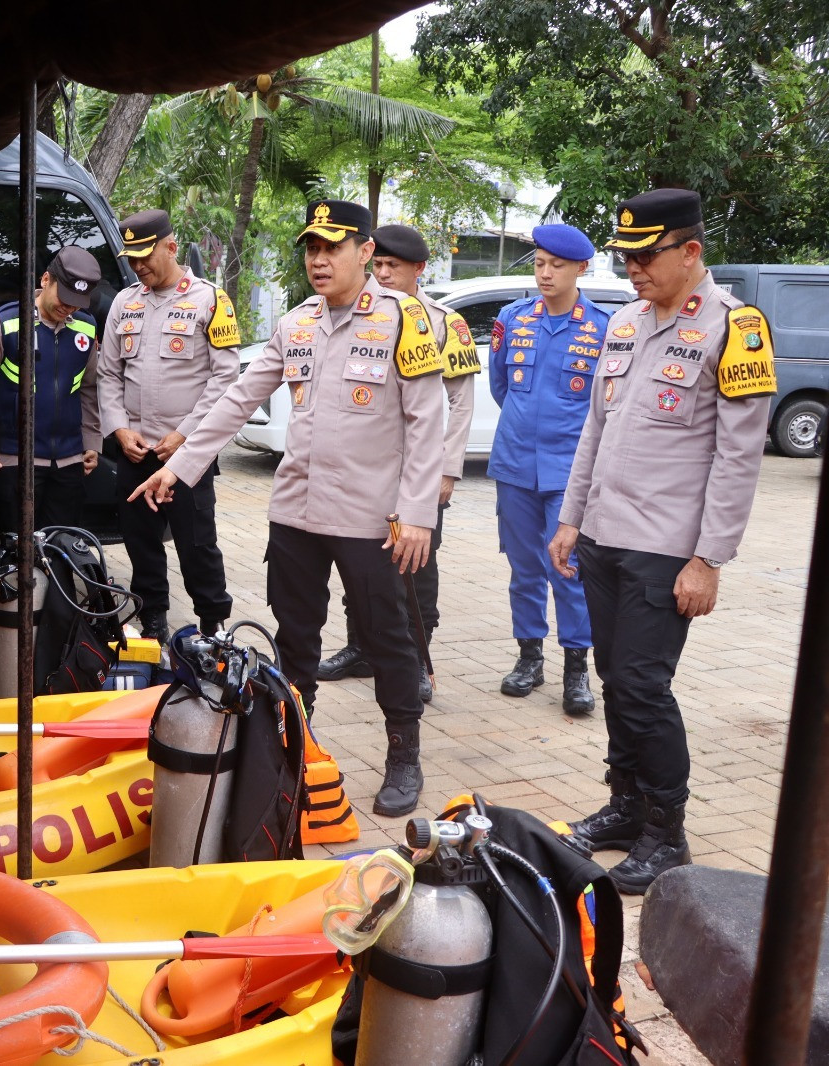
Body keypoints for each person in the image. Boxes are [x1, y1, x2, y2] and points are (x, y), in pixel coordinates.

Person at [130, 200, 444, 817]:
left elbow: (427, 422)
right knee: (295, 639)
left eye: (331, 248)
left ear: (366, 253)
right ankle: (297, 745)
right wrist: (180, 466)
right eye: (311, 249)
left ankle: (403, 753)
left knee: (389, 640)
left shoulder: (405, 320)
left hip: (372, 520)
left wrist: (418, 514)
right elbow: (237, 397)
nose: (318, 261)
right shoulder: (297, 323)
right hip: (297, 512)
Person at [550, 189, 774, 893]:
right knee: (616, 679)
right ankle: (626, 803)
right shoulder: (624, 323)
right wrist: (570, 518)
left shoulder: (735, 329)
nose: (634, 270)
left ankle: (665, 831)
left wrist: (708, 559)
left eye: (646, 257)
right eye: (626, 258)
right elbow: (597, 429)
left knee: (644, 687)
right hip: (605, 537)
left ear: (691, 252)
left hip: (666, 548)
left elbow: (739, 458)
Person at [315, 223, 484, 702]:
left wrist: (447, 471)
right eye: (380, 264)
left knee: (415, 570)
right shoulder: (358, 313)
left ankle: (416, 661)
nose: (384, 273)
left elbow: (460, 403)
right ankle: (361, 648)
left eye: (395, 266)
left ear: (419, 270)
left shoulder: (444, 322)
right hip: (367, 473)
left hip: (418, 475)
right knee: (358, 562)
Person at [98, 209, 240, 640]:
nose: (139, 266)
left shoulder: (210, 300)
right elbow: (107, 374)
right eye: (132, 259)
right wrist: (120, 429)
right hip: (135, 450)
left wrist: (186, 434)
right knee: (140, 542)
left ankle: (212, 623)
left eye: (146, 256)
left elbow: (225, 378)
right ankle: (153, 617)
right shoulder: (126, 302)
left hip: (186, 455)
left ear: (171, 247)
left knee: (197, 544)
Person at [487, 225, 610, 715]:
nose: (545, 273)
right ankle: (529, 657)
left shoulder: (602, 327)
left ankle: (576, 668)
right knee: (524, 568)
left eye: (556, 265)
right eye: (539, 263)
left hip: (570, 472)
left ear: (580, 268)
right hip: (515, 463)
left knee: (569, 569)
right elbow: (502, 388)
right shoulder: (512, 318)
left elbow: (605, 406)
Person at [0, 245, 103, 531]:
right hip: (15, 459)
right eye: (64, 297)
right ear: (45, 281)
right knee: (19, 548)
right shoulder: (6, 324)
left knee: (62, 545)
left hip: (69, 460)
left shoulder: (86, 328)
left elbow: (89, 389)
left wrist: (91, 442)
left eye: (77, 302)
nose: (69, 308)